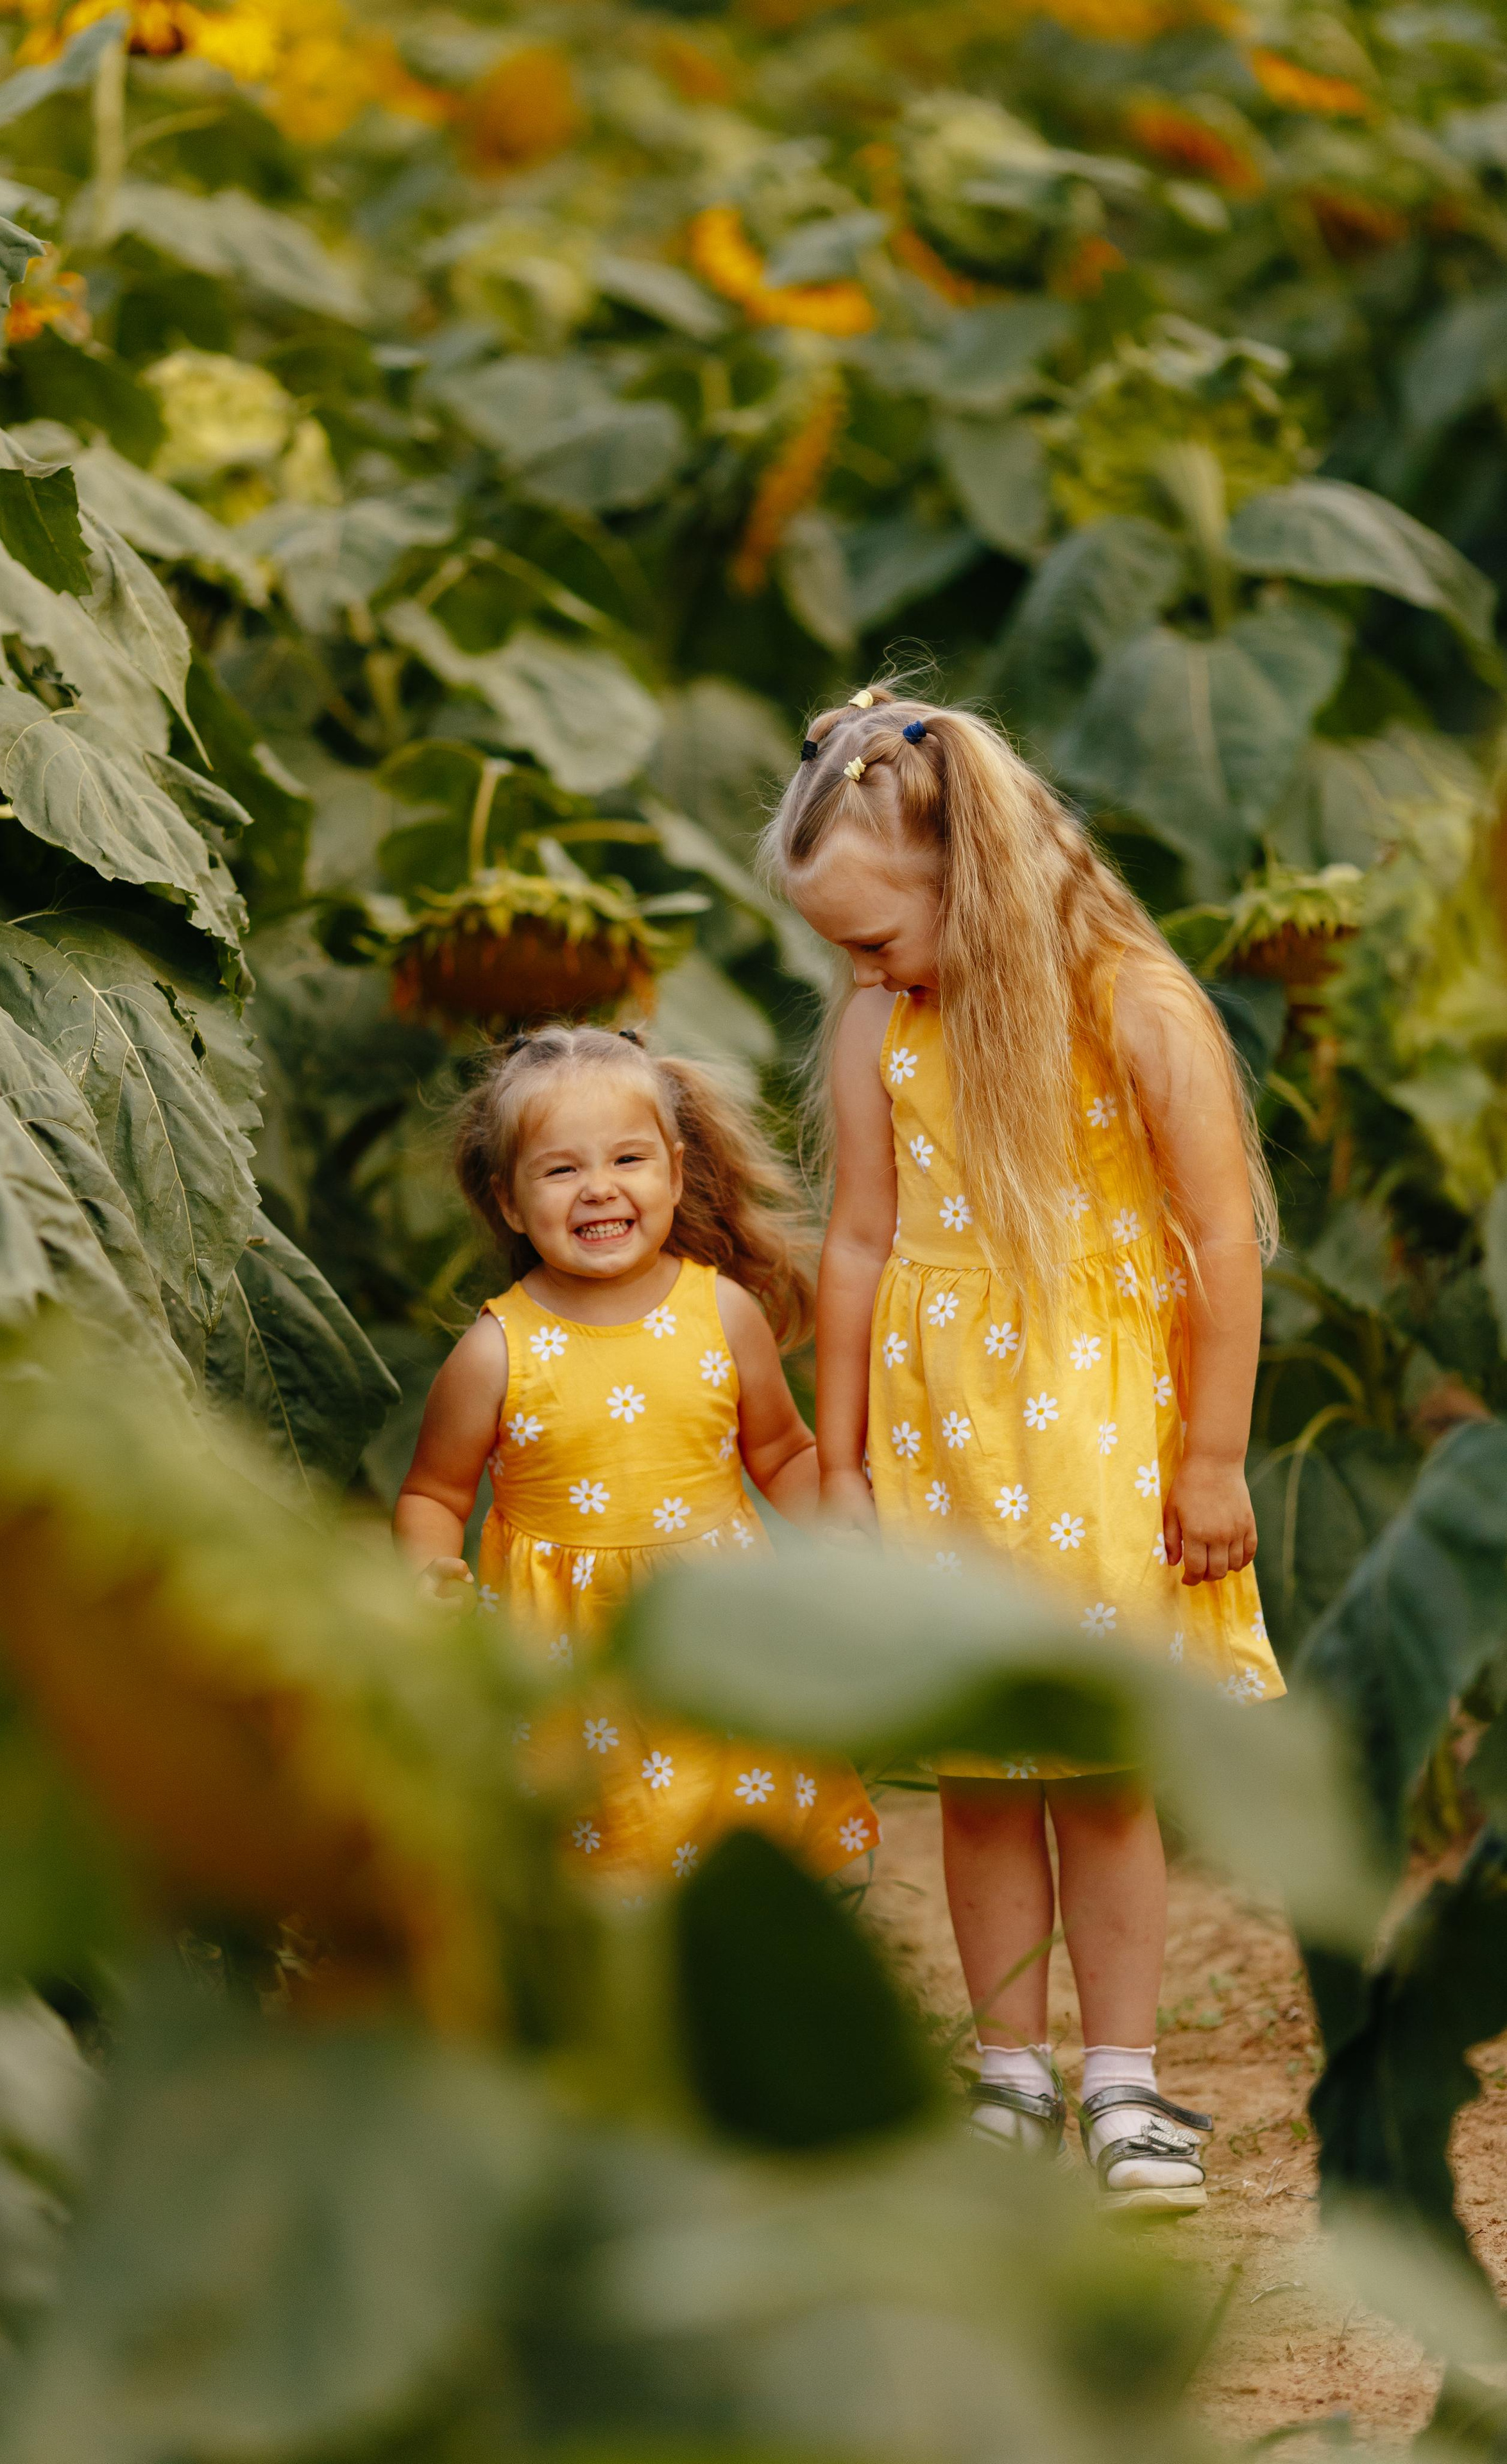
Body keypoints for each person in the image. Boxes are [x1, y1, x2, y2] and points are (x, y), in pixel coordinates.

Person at [763, 687, 1283, 2213]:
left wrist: (1212, 1459)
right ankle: (1007, 2082)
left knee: (1101, 1771)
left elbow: (1218, 1242)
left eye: (870, 937)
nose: (854, 970)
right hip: (944, 1443)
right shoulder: (882, 1025)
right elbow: (858, 1240)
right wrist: (846, 1466)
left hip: (1105, 1442)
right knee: (984, 1774)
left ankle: (1122, 2089)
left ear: (969, 881)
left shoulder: (1130, 1004)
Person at [394, 1022, 880, 1895]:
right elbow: (433, 1490)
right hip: (570, 1656)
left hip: (714, 1628)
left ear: (676, 1172)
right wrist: (431, 1570)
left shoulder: (722, 1314)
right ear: (508, 1201)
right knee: (604, 1855)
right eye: (560, 1168)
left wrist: (846, 1532)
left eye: (627, 1160)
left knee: (736, 1834)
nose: (598, 1190)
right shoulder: (497, 1352)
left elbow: (780, 1449)